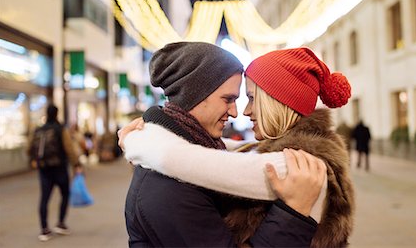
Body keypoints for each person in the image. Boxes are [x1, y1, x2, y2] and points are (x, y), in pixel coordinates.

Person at [121, 47, 355, 247]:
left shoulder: (296, 165)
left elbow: (187, 160)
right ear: (195, 95)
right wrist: (157, 125)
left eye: (251, 98)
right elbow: (234, 151)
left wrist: (137, 141)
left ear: (277, 103)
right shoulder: (294, 151)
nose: (240, 111)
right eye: (228, 99)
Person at [28, 104, 82, 241]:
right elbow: (69, 148)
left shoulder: (38, 130)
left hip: (44, 169)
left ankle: (44, 229)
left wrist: (34, 160)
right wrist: (76, 164)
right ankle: (61, 223)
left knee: (44, 198)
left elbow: (29, 148)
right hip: (59, 168)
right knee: (65, 194)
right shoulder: (60, 129)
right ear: (57, 113)